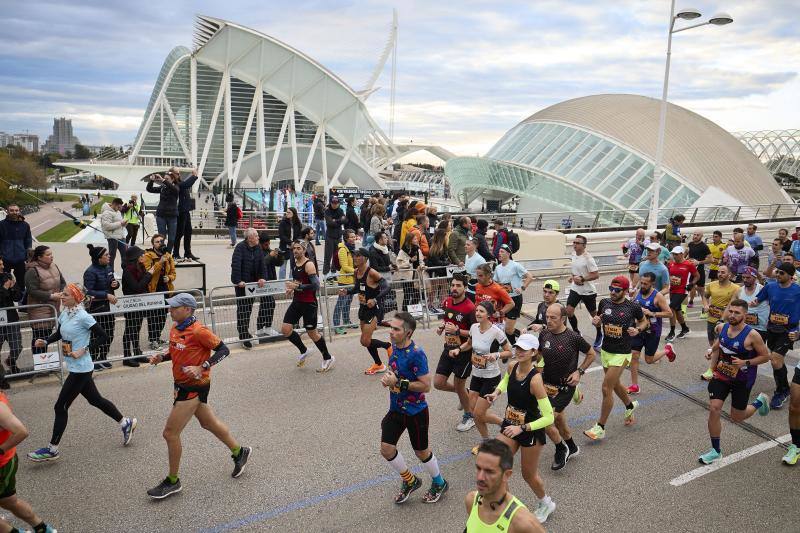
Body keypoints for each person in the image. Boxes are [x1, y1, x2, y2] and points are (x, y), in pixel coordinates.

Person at [146, 293, 251, 499]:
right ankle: (240, 452)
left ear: (187, 309)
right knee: (208, 423)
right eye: (171, 307)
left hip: (194, 386)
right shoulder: (176, 327)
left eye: (175, 307)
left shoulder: (199, 331)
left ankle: (173, 482)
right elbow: (177, 351)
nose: (170, 310)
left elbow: (224, 350)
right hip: (181, 384)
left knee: (170, 433)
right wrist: (162, 357)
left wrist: (202, 366)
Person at [27, 284, 137, 462]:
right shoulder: (66, 313)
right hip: (74, 366)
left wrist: (84, 350)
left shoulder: (83, 316)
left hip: (81, 368)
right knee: (95, 400)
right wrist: (46, 341)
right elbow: (60, 333)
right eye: (62, 293)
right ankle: (126, 422)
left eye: (66, 294)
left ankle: (52, 449)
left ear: (76, 298)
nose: (62, 296)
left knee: (60, 407)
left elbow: (103, 336)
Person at [484, 334, 556, 524]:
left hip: (530, 429)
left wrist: (522, 428)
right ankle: (504, 505)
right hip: (511, 423)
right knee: (497, 464)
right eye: (517, 347)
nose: (519, 351)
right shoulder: (512, 366)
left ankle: (546, 503)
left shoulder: (535, 380)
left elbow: (549, 417)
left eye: (524, 349)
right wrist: (496, 393)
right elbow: (506, 381)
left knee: (528, 474)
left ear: (534, 352)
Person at [379, 312, 449, 504]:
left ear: (408, 333)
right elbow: (393, 368)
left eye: (396, 329)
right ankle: (410, 481)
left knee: (421, 452)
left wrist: (399, 383)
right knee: (386, 448)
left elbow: (426, 386)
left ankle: (439, 482)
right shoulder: (393, 347)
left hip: (415, 412)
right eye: (391, 327)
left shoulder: (417, 354)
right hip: (396, 409)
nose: (391, 332)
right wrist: (388, 378)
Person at [699, 299, 771, 464]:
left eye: (737, 312)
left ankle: (760, 402)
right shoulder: (723, 327)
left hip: (742, 380)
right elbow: (721, 341)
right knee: (714, 408)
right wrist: (712, 350)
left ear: (745, 315)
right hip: (722, 375)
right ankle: (716, 451)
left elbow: (766, 356)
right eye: (730, 311)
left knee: (737, 417)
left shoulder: (752, 335)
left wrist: (746, 363)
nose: (732, 315)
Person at [584, 276, 647, 441]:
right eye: (611, 288)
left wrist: (638, 330)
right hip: (606, 350)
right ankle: (630, 405)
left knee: (606, 388)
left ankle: (600, 427)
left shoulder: (633, 307)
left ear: (625, 291)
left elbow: (644, 322)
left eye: (617, 290)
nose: (613, 292)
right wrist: (596, 322)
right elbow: (599, 321)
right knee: (615, 384)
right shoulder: (604, 303)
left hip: (622, 353)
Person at [535, 303, 595, 471]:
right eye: (547, 317)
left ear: (563, 319)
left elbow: (591, 354)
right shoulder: (544, 334)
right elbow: (539, 354)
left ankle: (561, 449)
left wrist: (579, 372)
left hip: (565, 387)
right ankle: (572, 447)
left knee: (546, 421)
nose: (548, 320)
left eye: (553, 318)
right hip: (547, 385)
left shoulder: (573, 337)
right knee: (559, 420)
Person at [451, 301, 512, 453]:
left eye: (481, 311)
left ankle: (487, 442)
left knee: (478, 414)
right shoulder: (473, 328)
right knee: (474, 411)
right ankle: (503, 423)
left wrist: (496, 355)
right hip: (477, 375)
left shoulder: (496, 332)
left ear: (489, 315)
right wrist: (459, 349)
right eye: (477, 310)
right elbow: (469, 344)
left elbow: (509, 351)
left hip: (491, 377)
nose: (477, 313)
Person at [0, 392, 58, 533]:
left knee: (9, 502)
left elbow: (21, 431)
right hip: (6, 461)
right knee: (9, 502)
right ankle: (43, 529)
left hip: (2, 464)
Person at [749, 262, 800, 411]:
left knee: (775, 359)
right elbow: (758, 299)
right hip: (772, 329)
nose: (778, 275)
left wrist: (798, 332)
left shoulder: (797, 291)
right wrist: (753, 303)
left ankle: (781, 391)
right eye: (777, 272)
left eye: (781, 273)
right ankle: (785, 386)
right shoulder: (770, 287)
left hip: (788, 331)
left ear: (791, 276)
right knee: (777, 361)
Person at [465, 439, 544, 533]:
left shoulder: (523, 523)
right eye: (478, 468)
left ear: (506, 475)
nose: (480, 477)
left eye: (489, 471)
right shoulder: (471, 500)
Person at [282, 240, 335, 372]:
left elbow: (316, 285)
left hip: (309, 304)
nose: (295, 251)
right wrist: (292, 288)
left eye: (298, 248)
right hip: (297, 301)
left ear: (304, 250)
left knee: (313, 334)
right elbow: (298, 280)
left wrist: (298, 286)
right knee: (286, 329)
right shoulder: (294, 263)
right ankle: (304, 350)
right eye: (294, 248)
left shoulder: (309, 265)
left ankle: (327, 357)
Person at [434, 274, 477, 432]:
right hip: (448, 348)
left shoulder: (470, 308)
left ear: (465, 288)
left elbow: (476, 333)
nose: (454, 288)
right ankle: (465, 394)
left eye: (458, 285)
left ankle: (469, 416)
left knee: (459, 384)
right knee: (438, 383)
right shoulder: (448, 301)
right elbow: (448, 320)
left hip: (464, 351)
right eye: (453, 285)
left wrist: (458, 330)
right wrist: (442, 326)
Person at [344, 248, 392, 374]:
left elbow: (387, 287)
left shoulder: (372, 273)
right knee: (367, 341)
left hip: (374, 309)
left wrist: (375, 299)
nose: (354, 258)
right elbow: (357, 287)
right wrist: (347, 291)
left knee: (364, 340)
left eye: (357, 256)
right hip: (363, 308)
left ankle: (387, 346)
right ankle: (379, 364)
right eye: (354, 255)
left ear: (365, 258)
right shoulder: (356, 272)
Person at [627, 272, 675, 393]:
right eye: (641, 283)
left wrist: (652, 313)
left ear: (652, 284)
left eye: (645, 284)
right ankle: (634, 386)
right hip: (639, 330)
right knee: (634, 356)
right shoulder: (639, 292)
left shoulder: (658, 296)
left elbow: (669, 313)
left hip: (652, 332)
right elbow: (633, 306)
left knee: (649, 360)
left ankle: (667, 350)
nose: (642, 285)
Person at [83, 245, 120, 370]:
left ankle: (103, 357)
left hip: (109, 307)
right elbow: (88, 292)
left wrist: (116, 284)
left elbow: (112, 282)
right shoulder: (90, 272)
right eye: (106, 255)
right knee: (97, 335)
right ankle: (92, 359)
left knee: (109, 333)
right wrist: (106, 295)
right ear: (99, 258)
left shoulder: (108, 267)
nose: (109, 256)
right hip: (97, 309)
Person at [700, 265, 739, 381]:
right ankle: (719, 367)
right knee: (712, 344)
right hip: (711, 319)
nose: (720, 274)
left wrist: (722, 319)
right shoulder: (711, 285)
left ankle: (711, 370)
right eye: (719, 272)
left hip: (725, 322)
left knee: (717, 346)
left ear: (729, 275)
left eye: (723, 272)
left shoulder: (735, 288)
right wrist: (706, 305)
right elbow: (705, 296)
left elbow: (731, 305)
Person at [230, 228, 268, 350]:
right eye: (256, 236)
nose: (258, 238)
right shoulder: (240, 247)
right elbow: (235, 265)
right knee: (242, 309)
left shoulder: (258, 248)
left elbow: (262, 264)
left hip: (252, 285)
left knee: (248, 309)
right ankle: (243, 335)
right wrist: (238, 281)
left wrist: (262, 277)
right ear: (249, 238)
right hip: (242, 284)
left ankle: (245, 331)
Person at [24, 246, 65, 355]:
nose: (51, 256)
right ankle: (40, 366)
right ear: (39, 257)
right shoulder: (32, 271)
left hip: (53, 308)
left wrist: (61, 292)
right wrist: (51, 296)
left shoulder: (54, 266)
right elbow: (32, 291)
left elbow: (62, 282)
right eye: (48, 255)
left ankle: (45, 365)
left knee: (47, 337)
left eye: (51, 254)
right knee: (39, 338)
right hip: (39, 311)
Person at [493, 244, 533, 345]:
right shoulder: (498, 268)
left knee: (508, 329)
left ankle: (522, 340)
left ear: (508, 254)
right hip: (504, 300)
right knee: (506, 327)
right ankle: (514, 345)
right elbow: (496, 283)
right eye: (499, 251)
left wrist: (522, 287)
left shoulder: (515, 265)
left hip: (514, 300)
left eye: (502, 252)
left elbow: (530, 276)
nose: (499, 253)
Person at [566, 235, 601, 347]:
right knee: (569, 311)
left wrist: (582, 278)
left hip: (588, 291)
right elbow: (576, 270)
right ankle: (576, 332)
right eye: (574, 242)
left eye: (578, 243)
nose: (575, 244)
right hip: (575, 289)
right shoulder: (573, 254)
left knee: (594, 315)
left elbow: (596, 275)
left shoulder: (588, 258)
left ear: (584, 245)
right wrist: (572, 277)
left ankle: (600, 334)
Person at [143, 235, 176, 350]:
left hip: (166, 289)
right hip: (153, 290)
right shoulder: (147, 256)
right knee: (153, 316)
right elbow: (148, 272)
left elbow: (173, 272)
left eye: (161, 241)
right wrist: (160, 262)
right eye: (157, 242)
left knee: (162, 316)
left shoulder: (168, 255)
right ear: (153, 244)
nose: (160, 243)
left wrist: (169, 278)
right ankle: (152, 340)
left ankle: (157, 337)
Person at [121, 247, 152, 364]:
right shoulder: (128, 270)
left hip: (139, 303)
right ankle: (127, 356)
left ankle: (137, 352)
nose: (144, 257)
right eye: (142, 255)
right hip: (131, 304)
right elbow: (138, 287)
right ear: (136, 257)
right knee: (129, 329)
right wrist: (149, 274)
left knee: (137, 328)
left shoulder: (140, 267)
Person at [665, 246, 699, 342]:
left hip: (683, 290)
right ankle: (685, 328)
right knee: (677, 309)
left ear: (682, 254)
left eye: (676, 254)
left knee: (671, 308)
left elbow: (697, 276)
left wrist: (691, 284)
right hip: (673, 290)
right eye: (673, 254)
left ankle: (672, 332)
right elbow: (670, 275)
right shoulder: (671, 264)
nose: (674, 256)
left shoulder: (688, 264)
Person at [146, 169, 180, 254]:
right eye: (164, 178)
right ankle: (162, 254)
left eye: (167, 179)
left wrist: (163, 180)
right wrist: (151, 180)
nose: (164, 180)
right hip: (161, 215)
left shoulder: (176, 187)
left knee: (172, 238)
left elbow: (174, 189)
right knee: (162, 237)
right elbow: (149, 189)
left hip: (172, 216)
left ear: (172, 180)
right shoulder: (162, 188)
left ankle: (168, 254)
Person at [255, 233, 282, 337]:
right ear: (261, 244)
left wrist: (279, 255)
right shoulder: (257, 251)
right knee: (270, 303)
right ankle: (266, 327)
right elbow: (260, 264)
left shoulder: (269, 251)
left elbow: (279, 264)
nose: (268, 246)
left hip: (271, 282)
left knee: (265, 305)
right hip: (262, 282)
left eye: (269, 244)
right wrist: (270, 256)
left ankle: (261, 328)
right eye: (266, 244)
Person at [0, 205, 32, 293]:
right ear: (7, 211)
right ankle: (6, 303)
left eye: (16, 210)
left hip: (20, 259)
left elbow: (28, 241)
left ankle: (21, 304)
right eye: (12, 210)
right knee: (4, 283)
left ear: (19, 211)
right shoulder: (1, 225)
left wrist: (28, 257)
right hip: (5, 259)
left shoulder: (25, 225)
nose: (14, 212)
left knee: (22, 284)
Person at [0, 257, 21, 380]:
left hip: (11, 318)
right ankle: (1, 378)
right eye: (0, 265)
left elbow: (18, 297)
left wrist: (12, 288)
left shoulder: (8, 276)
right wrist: (4, 289)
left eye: (2, 264)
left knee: (17, 346)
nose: (2, 267)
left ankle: (11, 361)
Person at [171, 169, 199, 261]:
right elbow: (186, 184)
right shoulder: (174, 184)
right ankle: (175, 253)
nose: (179, 174)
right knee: (179, 233)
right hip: (180, 212)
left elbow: (185, 184)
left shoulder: (180, 182)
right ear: (172, 174)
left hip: (185, 211)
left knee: (188, 232)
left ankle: (188, 253)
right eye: (177, 173)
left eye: (179, 173)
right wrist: (194, 176)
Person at [332, 230, 357, 335]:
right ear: (346, 238)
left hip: (351, 280)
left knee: (348, 303)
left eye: (354, 236)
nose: (353, 238)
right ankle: (336, 325)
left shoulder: (351, 248)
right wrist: (356, 271)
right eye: (351, 237)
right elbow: (344, 266)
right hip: (344, 280)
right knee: (341, 303)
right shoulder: (343, 249)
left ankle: (346, 321)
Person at [396, 233, 425, 312]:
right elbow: (399, 264)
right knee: (407, 294)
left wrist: (422, 266)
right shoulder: (403, 251)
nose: (416, 240)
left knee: (417, 294)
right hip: (406, 276)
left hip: (416, 275)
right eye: (414, 239)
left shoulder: (417, 249)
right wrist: (410, 261)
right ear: (410, 240)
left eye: (416, 239)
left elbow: (421, 261)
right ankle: (405, 311)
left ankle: (413, 311)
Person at [99, 198, 128, 272]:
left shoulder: (117, 212)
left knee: (126, 254)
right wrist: (120, 223)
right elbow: (107, 226)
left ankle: (126, 272)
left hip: (121, 236)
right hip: (112, 238)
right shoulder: (106, 213)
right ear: (114, 204)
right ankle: (110, 273)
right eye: (118, 207)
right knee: (111, 256)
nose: (119, 209)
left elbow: (119, 223)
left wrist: (124, 224)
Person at [686, 231, 711, 315]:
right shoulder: (690, 244)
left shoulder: (704, 246)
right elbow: (689, 256)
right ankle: (691, 301)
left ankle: (705, 310)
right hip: (690, 270)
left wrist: (698, 262)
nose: (695, 236)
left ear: (701, 236)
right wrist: (687, 260)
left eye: (698, 235)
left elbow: (710, 259)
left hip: (699, 270)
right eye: (694, 234)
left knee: (701, 291)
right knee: (691, 286)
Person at [323, 196, 346, 276]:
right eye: (333, 203)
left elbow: (345, 220)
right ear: (331, 203)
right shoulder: (327, 211)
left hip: (338, 236)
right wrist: (339, 221)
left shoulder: (341, 210)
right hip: (330, 236)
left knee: (336, 256)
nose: (335, 205)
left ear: (339, 203)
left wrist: (335, 220)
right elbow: (329, 223)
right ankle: (325, 274)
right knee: (327, 256)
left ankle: (333, 273)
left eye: (336, 203)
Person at [278, 207, 302, 279]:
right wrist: (290, 243)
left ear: (293, 214)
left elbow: (299, 235)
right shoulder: (283, 222)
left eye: (289, 212)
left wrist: (295, 243)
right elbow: (281, 235)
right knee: (283, 267)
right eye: (286, 212)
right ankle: (281, 283)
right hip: (284, 246)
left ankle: (291, 282)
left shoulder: (298, 223)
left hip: (294, 247)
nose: (287, 214)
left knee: (293, 267)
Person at [464, 238, 487, 302]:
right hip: (468, 290)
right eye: (465, 244)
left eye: (468, 245)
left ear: (474, 246)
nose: (465, 246)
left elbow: (486, 276)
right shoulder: (466, 256)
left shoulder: (480, 260)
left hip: (477, 292)